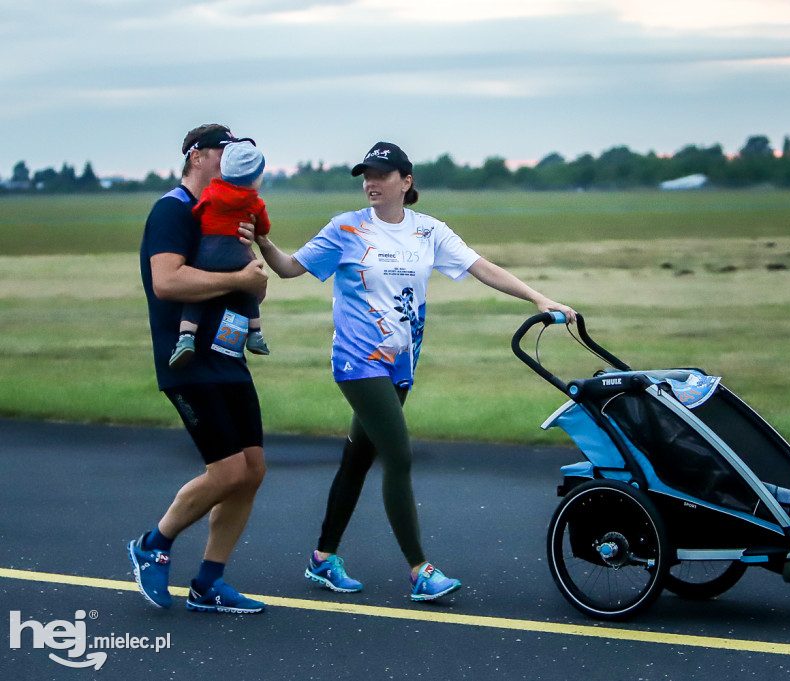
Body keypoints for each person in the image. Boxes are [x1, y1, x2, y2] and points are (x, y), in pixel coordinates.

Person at [254, 141, 577, 602]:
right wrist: (264, 240)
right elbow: (288, 269)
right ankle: (420, 570)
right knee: (399, 456)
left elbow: (480, 267)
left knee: (358, 459)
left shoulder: (428, 232)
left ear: (405, 182)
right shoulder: (345, 228)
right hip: (358, 360)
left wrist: (538, 298)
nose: (371, 182)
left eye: (381, 175)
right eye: (366, 174)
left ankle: (323, 559)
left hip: (401, 362)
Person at [130, 123, 270, 614]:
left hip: (227, 353)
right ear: (197, 157)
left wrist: (252, 280)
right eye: (224, 152)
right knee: (227, 469)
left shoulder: (230, 209)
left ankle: (209, 582)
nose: (232, 161)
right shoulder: (172, 210)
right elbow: (167, 281)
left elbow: (247, 278)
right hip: (186, 357)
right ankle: (153, 543)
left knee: (251, 471)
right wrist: (236, 276)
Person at [170, 139, 272, 369]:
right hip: (238, 257)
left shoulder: (211, 192)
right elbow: (263, 229)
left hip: (208, 255)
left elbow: (197, 212)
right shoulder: (255, 201)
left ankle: (186, 337)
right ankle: (254, 334)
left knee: (196, 296)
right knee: (246, 291)